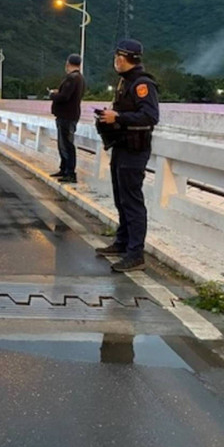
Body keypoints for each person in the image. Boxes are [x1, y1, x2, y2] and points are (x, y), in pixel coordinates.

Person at [95, 39, 160, 272]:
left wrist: (119, 118)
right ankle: (122, 242)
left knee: (132, 201)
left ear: (125, 59)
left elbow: (150, 116)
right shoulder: (125, 82)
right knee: (121, 198)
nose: (116, 61)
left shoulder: (143, 84)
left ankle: (135, 254)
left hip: (135, 150)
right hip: (121, 147)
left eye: (118, 58)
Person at [49, 54, 86, 184]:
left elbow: (65, 96)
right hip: (71, 115)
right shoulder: (79, 78)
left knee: (66, 145)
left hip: (66, 116)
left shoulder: (72, 78)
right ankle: (64, 169)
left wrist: (53, 95)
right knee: (63, 144)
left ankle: (70, 173)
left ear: (68, 63)